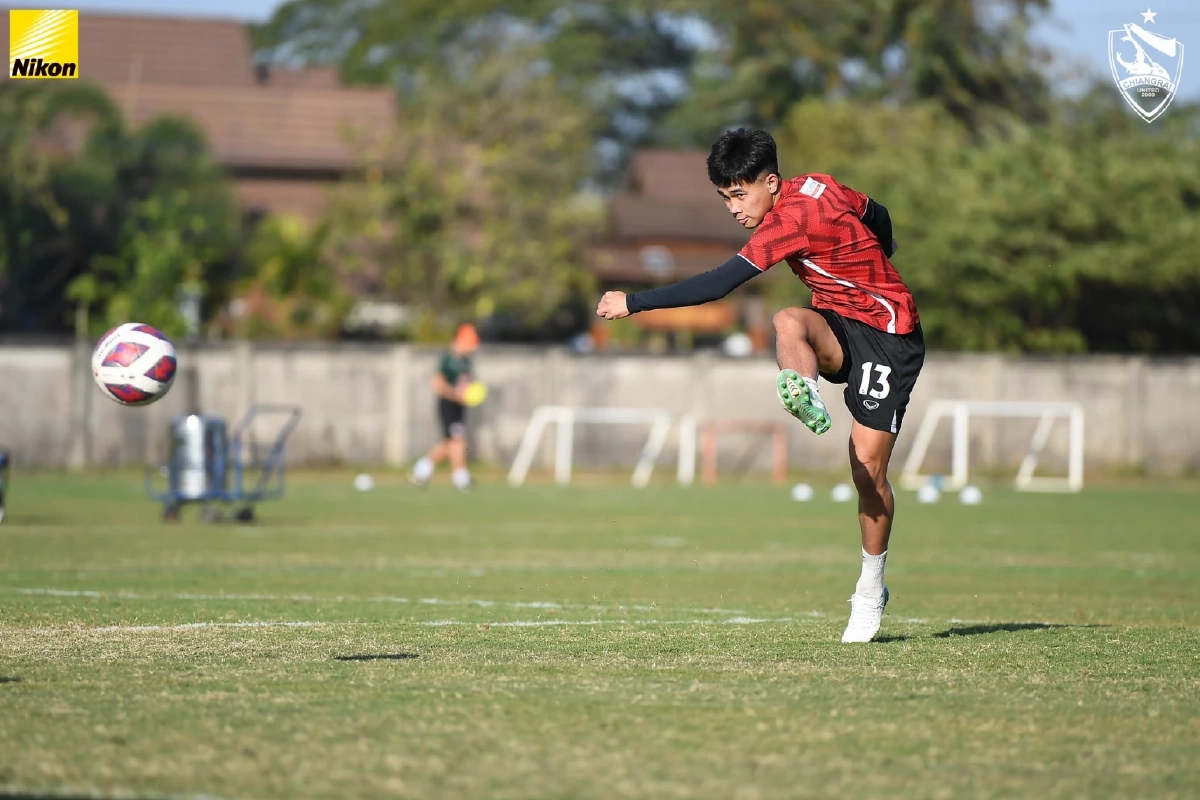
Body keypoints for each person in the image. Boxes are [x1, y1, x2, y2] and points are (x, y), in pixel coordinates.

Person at [596, 128, 924, 643]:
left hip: (890, 336)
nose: (732, 207)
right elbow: (875, 211)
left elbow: (718, 283)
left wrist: (633, 302)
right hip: (839, 325)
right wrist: (883, 253)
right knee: (788, 320)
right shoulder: (820, 185)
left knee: (866, 470)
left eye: (739, 194)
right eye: (724, 196)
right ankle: (804, 388)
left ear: (771, 182)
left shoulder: (786, 224)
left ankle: (870, 587)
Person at [409, 323, 479, 492]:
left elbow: (466, 384)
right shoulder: (448, 359)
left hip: (459, 405)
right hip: (447, 404)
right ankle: (460, 476)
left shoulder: (466, 362)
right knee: (458, 439)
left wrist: (469, 394)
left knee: (450, 442)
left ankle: (422, 469)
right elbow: (437, 384)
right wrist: (455, 394)